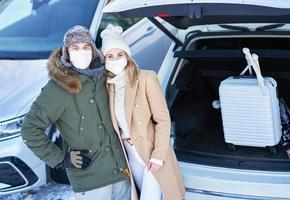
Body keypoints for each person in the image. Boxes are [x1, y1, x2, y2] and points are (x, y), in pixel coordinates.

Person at [21, 25, 133, 200]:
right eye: (75, 47)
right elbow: (30, 129)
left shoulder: (106, 78)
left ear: (93, 50)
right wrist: (59, 159)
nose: (82, 51)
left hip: (121, 173)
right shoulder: (57, 89)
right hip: (91, 181)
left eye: (86, 47)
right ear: (67, 53)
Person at [101, 24, 185, 200]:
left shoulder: (146, 78)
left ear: (127, 56)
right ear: (105, 59)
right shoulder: (107, 86)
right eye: (110, 55)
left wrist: (158, 155)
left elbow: (162, 119)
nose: (115, 59)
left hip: (150, 150)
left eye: (120, 54)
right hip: (129, 152)